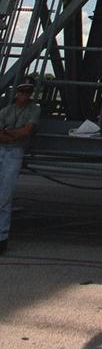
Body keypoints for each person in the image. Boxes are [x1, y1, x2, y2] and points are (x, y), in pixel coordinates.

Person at [0, 79, 40, 253]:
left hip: (15, 152)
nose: (24, 95)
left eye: (27, 92)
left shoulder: (34, 109)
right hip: (4, 149)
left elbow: (27, 131)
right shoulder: (5, 111)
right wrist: (13, 134)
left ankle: (2, 237)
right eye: (22, 91)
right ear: (15, 92)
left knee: (4, 198)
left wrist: (9, 133)